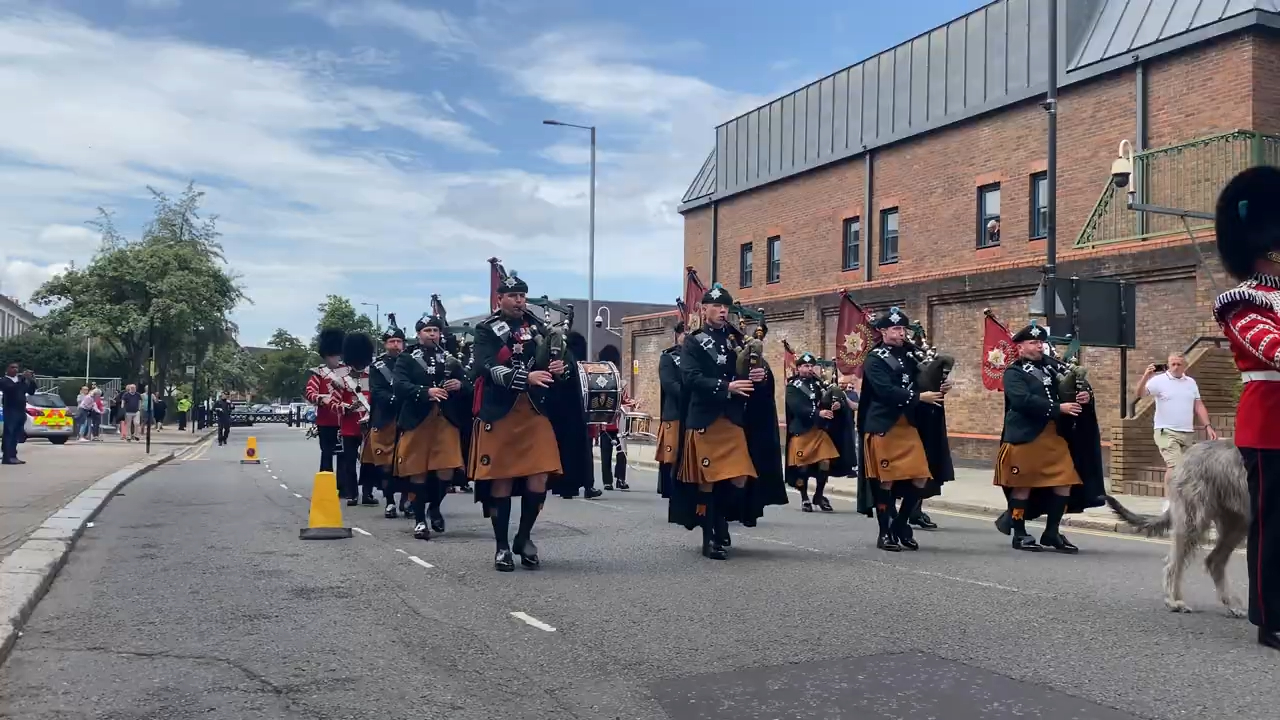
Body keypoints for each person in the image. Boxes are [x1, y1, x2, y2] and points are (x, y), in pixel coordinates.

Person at [469, 274, 589, 571]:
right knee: (502, 479)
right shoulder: (485, 331)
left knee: (540, 477)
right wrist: (526, 378)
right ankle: (502, 547)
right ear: (500, 299)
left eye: (522, 295)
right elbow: (487, 367)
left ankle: (524, 537)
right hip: (501, 412)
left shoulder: (537, 327)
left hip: (536, 411)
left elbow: (556, 364)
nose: (519, 301)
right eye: (512, 296)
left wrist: (560, 368)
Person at [1210, 165, 1280, 651]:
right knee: (1274, 525)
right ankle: (1270, 616)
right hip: (1269, 425)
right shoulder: (1243, 303)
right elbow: (1272, 348)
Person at [667, 284, 787, 560]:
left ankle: (720, 520)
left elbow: (756, 369)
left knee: (740, 477)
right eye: (718, 307)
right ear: (704, 309)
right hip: (706, 419)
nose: (723, 312)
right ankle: (710, 536)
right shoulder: (695, 342)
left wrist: (760, 377)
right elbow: (690, 378)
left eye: (726, 308)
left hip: (733, 420)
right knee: (707, 481)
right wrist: (727, 386)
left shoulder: (738, 340)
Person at [992, 320, 1105, 553]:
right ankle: (1019, 533)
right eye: (1033, 342)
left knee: (1064, 483)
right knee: (1022, 486)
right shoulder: (1013, 372)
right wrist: (1058, 408)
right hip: (1025, 437)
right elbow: (1022, 401)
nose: (1039, 346)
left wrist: (1083, 395)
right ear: (1020, 347)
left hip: (1053, 438)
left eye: (1041, 342)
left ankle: (1051, 532)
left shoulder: (1053, 367)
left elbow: (1073, 387)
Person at [855, 308, 950, 551]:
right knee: (885, 481)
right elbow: (885, 391)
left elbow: (923, 380)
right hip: (883, 424)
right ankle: (884, 532)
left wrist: (941, 384)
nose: (901, 333)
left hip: (908, 426)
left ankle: (900, 523)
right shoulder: (874, 358)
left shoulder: (911, 354)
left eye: (903, 328)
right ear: (883, 331)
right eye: (896, 328)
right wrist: (920, 397)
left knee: (919, 477)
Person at [393, 315, 470, 540]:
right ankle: (419, 520)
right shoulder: (406, 359)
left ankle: (434, 507)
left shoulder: (450, 357)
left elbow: (470, 383)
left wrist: (460, 385)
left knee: (446, 469)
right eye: (427, 330)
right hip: (418, 419)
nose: (432, 334)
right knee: (417, 470)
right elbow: (400, 385)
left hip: (446, 419)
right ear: (419, 334)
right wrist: (426, 392)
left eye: (435, 330)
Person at [1136, 353, 1218, 512]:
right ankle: (1170, 502)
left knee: (1186, 468)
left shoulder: (1191, 383)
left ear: (1184, 366)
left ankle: (1185, 503)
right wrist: (1146, 376)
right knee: (1174, 465)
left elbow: (1198, 405)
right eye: (1172, 364)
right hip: (1165, 431)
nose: (1175, 367)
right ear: (1168, 364)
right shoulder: (1159, 381)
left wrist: (1207, 425)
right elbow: (1139, 394)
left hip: (1187, 432)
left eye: (1179, 364)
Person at [785, 353, 856, 513]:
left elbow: (826, 400)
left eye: (811, 366)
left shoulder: (818, 384)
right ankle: (804, 498)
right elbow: (797, 407)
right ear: (798, 368)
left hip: (819, 431)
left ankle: (818, 495)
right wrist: (818, 413)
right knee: (802, 468)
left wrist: (835, 404)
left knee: (825, 462)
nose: (809, 369)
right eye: (805, 366)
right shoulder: (792, 386)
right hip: (802, 431)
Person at [366, 317, 406, 518]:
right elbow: (377, 391)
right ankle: (390, 501)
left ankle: (407, 499)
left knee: (408, 462)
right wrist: (395, 399)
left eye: (398, 341)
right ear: (385, 344)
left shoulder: (411, 361)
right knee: (385, 464)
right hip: (385, 418)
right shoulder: (378, 366)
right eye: (391, 341)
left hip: (408, 418)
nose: (395, 345)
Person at [305, 328, 351, 481]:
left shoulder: (348, 373)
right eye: (332, 356)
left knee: (345, 456)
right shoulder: (319, 373)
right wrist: (320, 398)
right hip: (326, 421)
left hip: (345, 420)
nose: (335, 359)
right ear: (326, 356)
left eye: (338, 355)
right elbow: (310, 392)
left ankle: (344, 487)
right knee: (327, 454)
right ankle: (325, 485)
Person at [595, 345, 633, 491]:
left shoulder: (616, 380)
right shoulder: (603, 380)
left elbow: (624, 399)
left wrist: (632, 403)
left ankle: (613, 480)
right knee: (615, 453)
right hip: (609, 421)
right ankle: (615, 480)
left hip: (613, 421)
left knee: (617, 452)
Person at [655, 322, 686, 498]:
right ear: (678, 335)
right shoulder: (669, 357)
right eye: (684, 334)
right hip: (674, 413)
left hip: (694, 415)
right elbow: (670, 385)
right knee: (673, 457)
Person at [1, 363, 36, 465]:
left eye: (16, 368)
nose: (15, 369)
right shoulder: (4, 381)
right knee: (9, 434)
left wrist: (31, 380)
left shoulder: (20, 380)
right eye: (12, 367)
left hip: (21, 410)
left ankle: (13, 455)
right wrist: (22, 380)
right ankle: (7, 457)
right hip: (10, 410)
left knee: (16, 434)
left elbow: (31, 391)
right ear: (7, 369)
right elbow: (11, 389)